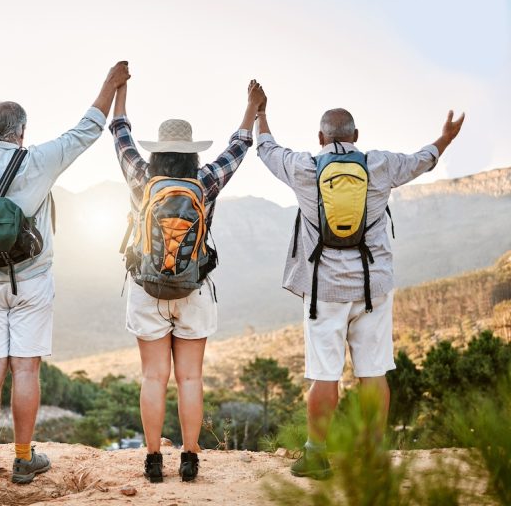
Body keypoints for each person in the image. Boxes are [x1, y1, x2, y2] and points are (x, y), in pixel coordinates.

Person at [0, 61, 130, 487]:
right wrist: (110, 82)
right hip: (32, 281)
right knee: (26, 370)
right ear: (21, 132)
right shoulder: (38, 159)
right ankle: (22, 459)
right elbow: (87, 129)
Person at [250, 81, 465, 479]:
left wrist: (260, 112)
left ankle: (316, 456)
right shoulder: (379, 164)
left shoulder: (303, 167)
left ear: (320, 138)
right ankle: (372, 454)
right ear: (357, 137)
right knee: (374, 372)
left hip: (324, 292)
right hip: (373, 289)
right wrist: (445, 138)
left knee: (324, 375)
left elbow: (266, 148)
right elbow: (423, 159)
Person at [109, 78, 260, 482]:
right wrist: (252, 108)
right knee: (190, 377)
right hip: (195, 289)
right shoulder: (205, 181)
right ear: (191, 153)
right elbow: (239, 147)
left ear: (157, 151)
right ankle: (191, 458)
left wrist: (120, 90)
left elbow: (120, 134)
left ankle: (154, 459)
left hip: (147, 288)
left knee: (153, 377)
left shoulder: (142, 177)